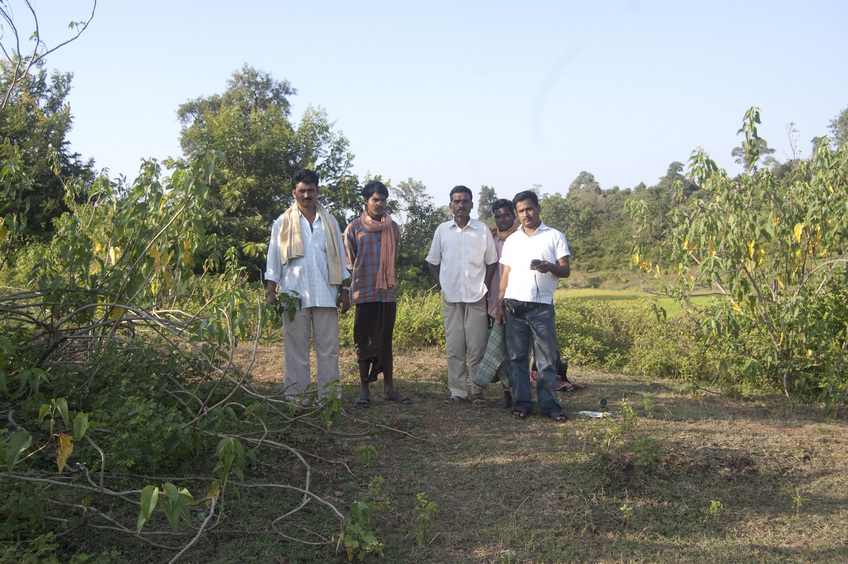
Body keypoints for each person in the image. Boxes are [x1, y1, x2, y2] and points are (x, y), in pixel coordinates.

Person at [265, 168, 350, 406]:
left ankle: (329, 400)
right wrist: (271, 291)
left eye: (310, 190)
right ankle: (296, 400)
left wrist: (344, 290)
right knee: (295, 353)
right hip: (294, 297)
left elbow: (341, 260)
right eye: (301, 191)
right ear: (294, 192)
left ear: (317, 191)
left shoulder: (329, 222)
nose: (306, 195)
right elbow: (273, 258)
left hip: (326, 295)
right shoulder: (282, 222)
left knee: (329, 352)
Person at [495, 190, 570, 422]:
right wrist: (499, 303)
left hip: (542, 307)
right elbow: (505, 273)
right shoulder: (513, 240)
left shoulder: (555, 236)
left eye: (529, 208)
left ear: (538, 208)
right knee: (517, 358)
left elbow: (565, 270)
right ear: (516, 214)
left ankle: (549, 406)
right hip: (514, 306)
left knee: (546, 360)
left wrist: (550, 267)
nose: (525, 214)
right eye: (521, 211)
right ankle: (523, 403)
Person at [426, 185, 498, 407]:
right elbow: (432, 261)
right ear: (450, 205)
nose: (460, 205)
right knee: (455, 347)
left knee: (477, 347)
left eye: (464, 201)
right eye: (456, 201)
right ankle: (458, 392)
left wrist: (485, 286)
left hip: (477, 297)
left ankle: (478, 392)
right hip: (451, 297)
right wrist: (441, 285)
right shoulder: (442, 230)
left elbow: (492, 262)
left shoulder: (482, 230)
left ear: (471, 205)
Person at [344, 180, 412, 408]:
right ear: (365, 201)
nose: (380, 204)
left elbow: (393, 259)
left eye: (383, 200)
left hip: (387, 295)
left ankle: (389, 389)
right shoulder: (354, 228)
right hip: (364, 293)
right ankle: (364, 390)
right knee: (364, 341)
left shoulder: (392, 227)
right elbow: (349, 263)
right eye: (375, 199)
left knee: (385, 340)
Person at [485, 199, 519, 408]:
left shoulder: (522, 238)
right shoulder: (490, 238)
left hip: (515, 301)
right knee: (499, 350)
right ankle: (506, 393)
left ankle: (520, 393)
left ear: (513, 215)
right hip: (491, 302)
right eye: (498, 216)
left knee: (516, 351)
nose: (502, 219)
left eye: (505, 215)